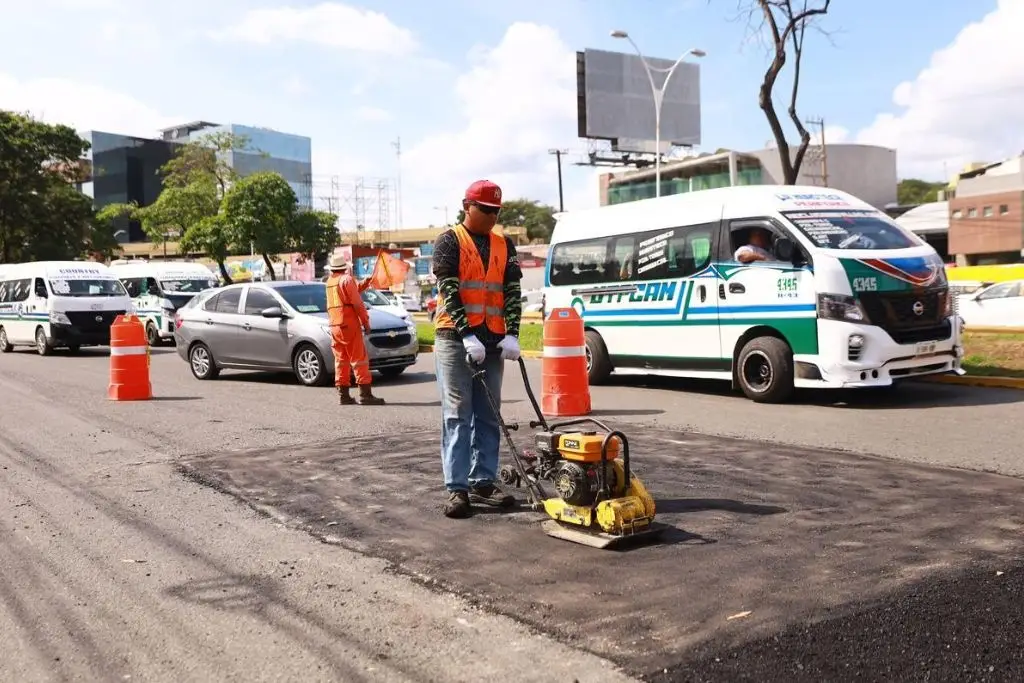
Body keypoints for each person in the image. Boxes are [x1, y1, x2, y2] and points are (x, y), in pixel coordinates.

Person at [432, 179, 524, 519]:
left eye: (496, 211)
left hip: (494, 340)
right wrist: (467, 334)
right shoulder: (449, 241)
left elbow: (512, 291)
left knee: (489, 414)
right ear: (467, 206)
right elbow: (450, 289)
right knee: (458, 415)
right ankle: (457, 489)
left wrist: (512, 334)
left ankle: (483, 479)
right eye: (485, 210)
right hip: (455, 340)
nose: (491, 216)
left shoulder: (504, 244)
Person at [324, 255, 385, 406]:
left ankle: (343, 395)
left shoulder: (330, 282)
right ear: (345, 268)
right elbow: (357, 303)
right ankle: (365, 395)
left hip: (335, 326)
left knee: (341, 361)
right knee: (359, 359)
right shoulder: (347, 279)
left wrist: (365, 283)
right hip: (349, 325)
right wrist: (366, 322)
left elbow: (348, 293)